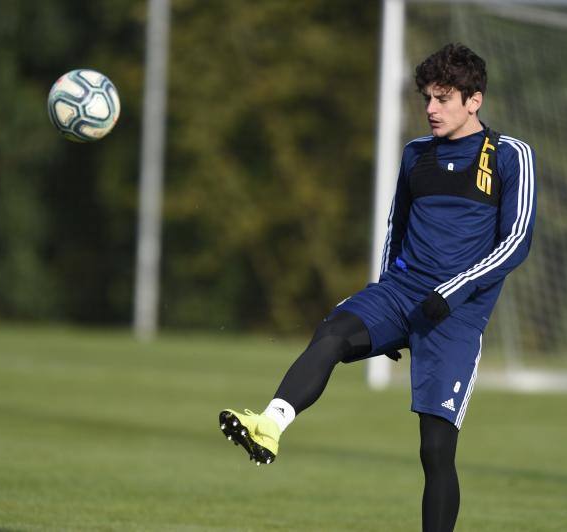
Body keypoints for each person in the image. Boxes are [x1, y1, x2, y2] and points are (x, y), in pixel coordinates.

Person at [218, 42, 536, 532]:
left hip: (457, 311)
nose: (430, 109)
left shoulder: (511, 156)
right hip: (402, 292)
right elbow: (396, 229)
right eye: (426, 98)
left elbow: (516, 242)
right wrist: (385, 302)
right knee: (333, 331)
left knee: (435, 449)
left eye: (443, 99)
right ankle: (270, 425)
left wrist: (452, 291)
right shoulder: (415, 156)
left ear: (474, 100)